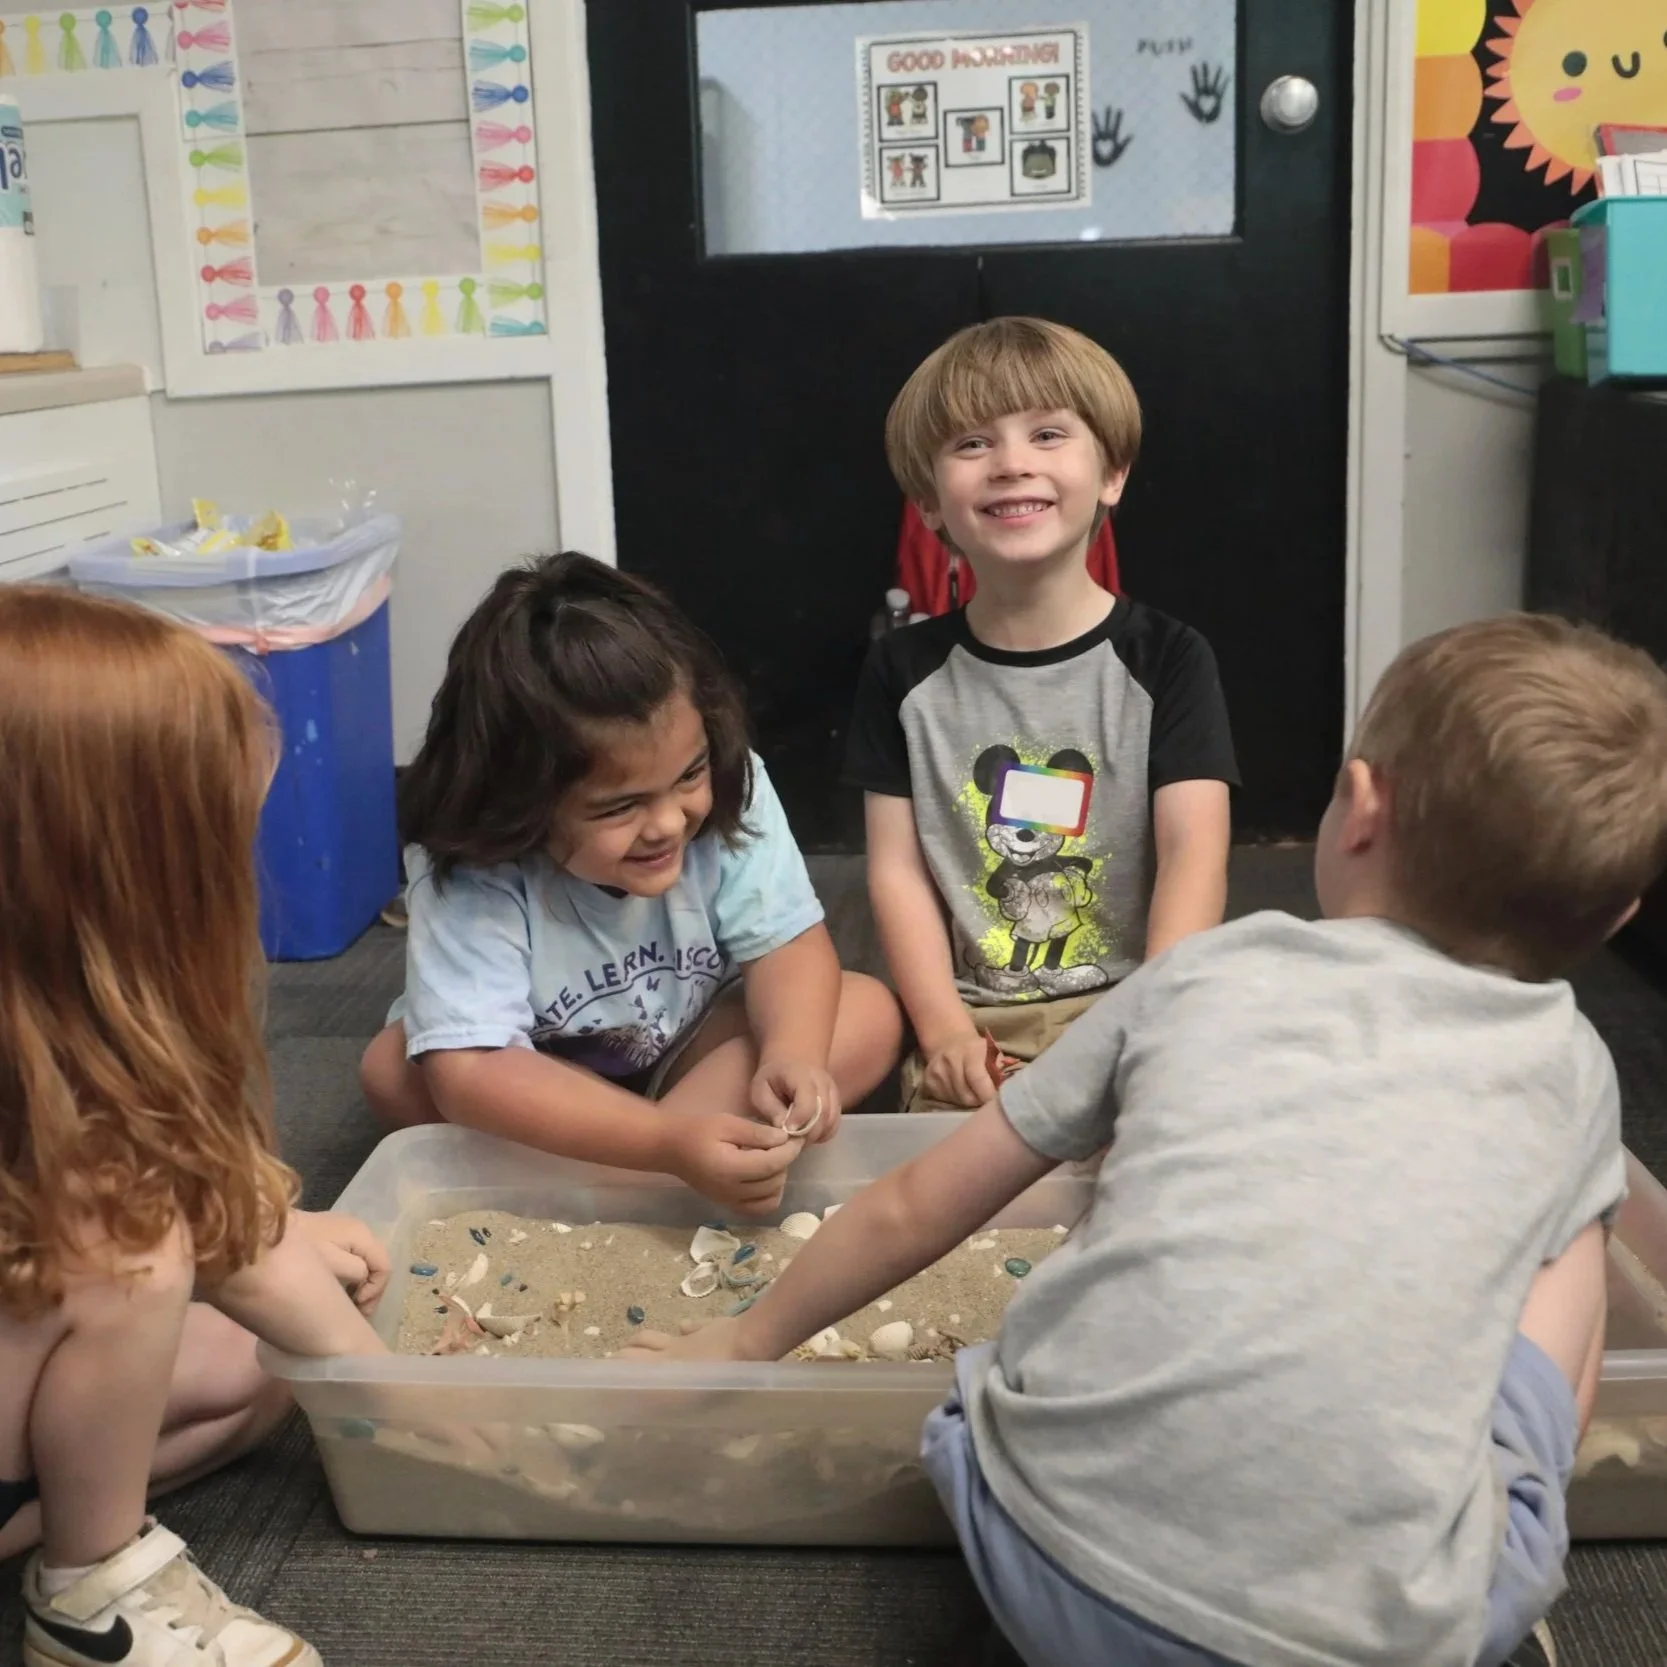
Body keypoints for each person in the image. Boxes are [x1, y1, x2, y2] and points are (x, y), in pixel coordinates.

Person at [630, 612, 1667, 1667]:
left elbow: (915, 1200)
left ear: (1357, 809)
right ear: (1616, 915)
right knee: (1574, 1223)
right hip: (1374, 1639)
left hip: (1042, 1553)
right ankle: (1505, 1520)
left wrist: (744, 1342)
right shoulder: (1570, 1069)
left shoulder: (1199, 976)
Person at [0, 587, 389, 1667]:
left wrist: (270, 1235)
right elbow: (163, 1209)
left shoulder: (55, 1020)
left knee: (259, 1368)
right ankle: (90, 1597)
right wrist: (426, 1414)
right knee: (135, 1250)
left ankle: (47, 1522)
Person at [360, 553, 901, 1218]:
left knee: (865, 1012)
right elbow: (471, 1069)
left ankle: (618, 1183)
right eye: (619, 807)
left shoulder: (734, 781)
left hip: (691, 1051)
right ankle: (661, 1173)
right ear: (518, 805)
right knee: (395, 1072)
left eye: (689, 775)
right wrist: (665, 1143)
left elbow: (787, 946)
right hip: (545, 1089)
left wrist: (792, 1054)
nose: (669, 822)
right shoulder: (469, 861)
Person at [845, 317, 1237, 1113]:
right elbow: (895, 870)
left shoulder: (1169, 658)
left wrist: (1149, 1026)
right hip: (977, 1026)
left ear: (1111, 473)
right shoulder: (900, 671)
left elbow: (1193, 853)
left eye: (1048, 433)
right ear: (928, 502)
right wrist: (943, 1031)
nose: (1011, 463)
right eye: (971, 443)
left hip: (1134, 1010)